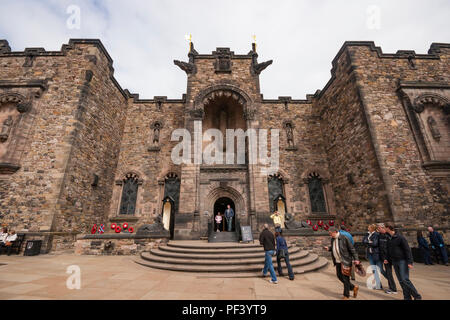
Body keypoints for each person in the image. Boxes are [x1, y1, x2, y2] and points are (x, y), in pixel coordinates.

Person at [385, 224, 422, 300]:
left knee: (405, 279)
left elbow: (407, 250)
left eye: (384, 228)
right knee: (401, 281)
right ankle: (407, 297)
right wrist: (387, 259)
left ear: (388, 228)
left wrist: (410, 262)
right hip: (395, 261)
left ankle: (417, 296)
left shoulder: (400, 237)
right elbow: (389, 251)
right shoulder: (389, 238)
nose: (384, 229)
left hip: (403, 261)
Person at [323, 227, 360, 300]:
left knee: (346, 279)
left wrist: (356, 259)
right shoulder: (333, 239)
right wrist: (329, 248)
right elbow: (335, 247)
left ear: (335, 231)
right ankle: (353, 287)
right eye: (329, 234)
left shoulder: (344, 238)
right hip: (337, 261)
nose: (330, 235)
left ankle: (346, 295)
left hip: (345, 261)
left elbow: (352, 249)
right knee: (339, 276)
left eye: (331, 233)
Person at [377, 223, 398, 294]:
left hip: (389, 258)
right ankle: (392, 287)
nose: (378, 229)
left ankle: (393, 288)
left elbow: (388, 248)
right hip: (384, 257)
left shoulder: (388, 235)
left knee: (390, 273)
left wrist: (386, 258)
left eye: (379, 228)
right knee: (388, 273)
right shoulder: (380, 235)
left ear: (383, 228)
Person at [363, 224, 383, 290]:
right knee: (374, 270)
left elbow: (375, 243)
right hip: (370, 254)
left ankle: (390, 282)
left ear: (372, 228)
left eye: (369, 227)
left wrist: (368, 242)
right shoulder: (367, 234)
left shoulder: (376, 235)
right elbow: (363, 241)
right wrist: (370, 242)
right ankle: (378, 284)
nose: (367, 228)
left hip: (376, 254)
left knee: (380, 270)